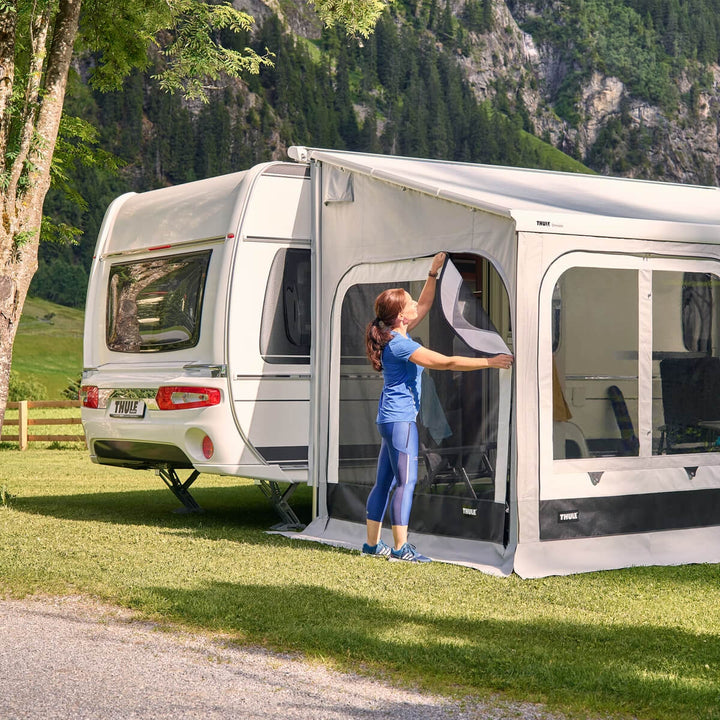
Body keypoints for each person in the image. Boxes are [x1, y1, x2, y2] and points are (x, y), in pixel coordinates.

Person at [362, 252, 514, 562]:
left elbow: (427, 304)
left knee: (385, 482)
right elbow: (446, 362)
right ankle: (401, 549)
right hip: (401, 420)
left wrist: (433, 274)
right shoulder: (402, 344)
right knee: (407, 481)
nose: (415, 306)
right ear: (402, 317)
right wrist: (489, 361)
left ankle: (372, 545)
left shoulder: (394, 332)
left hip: (389, 419)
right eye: (409, 305)